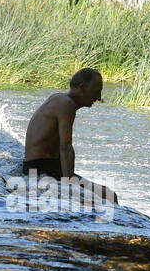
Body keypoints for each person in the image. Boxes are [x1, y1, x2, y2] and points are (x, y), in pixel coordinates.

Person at [21, 68, 117, 202]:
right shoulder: (67, 105)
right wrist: (70, 188)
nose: (99, 97)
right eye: (96, 91)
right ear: (82, 87)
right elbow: (65, 147)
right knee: (110, 196)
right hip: (42, 169)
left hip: (38, 166)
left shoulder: (59, 98)